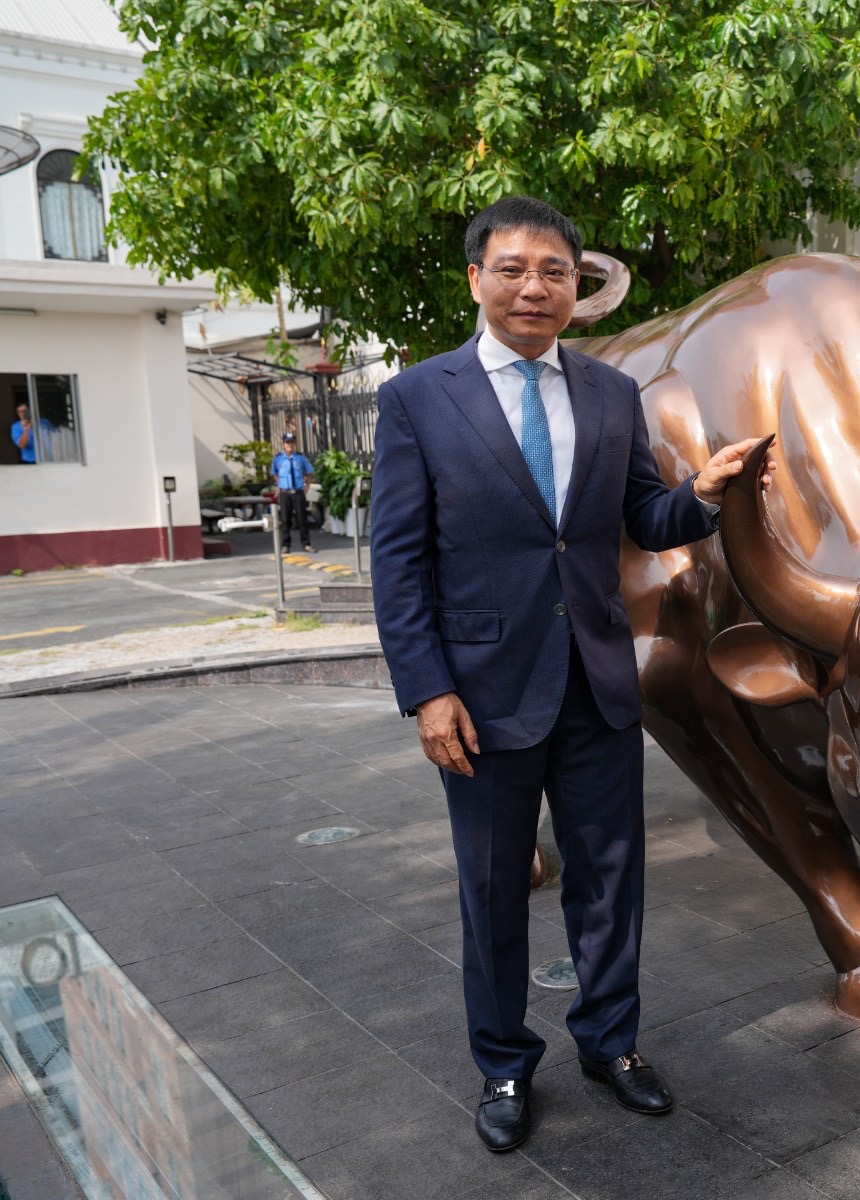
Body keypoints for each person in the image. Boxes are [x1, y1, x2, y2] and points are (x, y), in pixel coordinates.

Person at [371, 195, 771, 1154]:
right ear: (476, 279)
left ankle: (611, 1043)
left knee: (611, 882)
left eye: (554, 271)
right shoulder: (417, 398)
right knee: (494, 890)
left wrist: (702, 493)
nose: (534, 287)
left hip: (596, 681)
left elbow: (643, 518)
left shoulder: (607, 393)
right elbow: (398, 561)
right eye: (513, 269)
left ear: (574, 287)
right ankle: (505, 1063)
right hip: (480, 694)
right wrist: (428, 692)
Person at [271, 432, 314, 553]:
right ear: (283, 444)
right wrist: (278, 484)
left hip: (298, 492)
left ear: (295, 444)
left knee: (302, 519)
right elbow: (274, 472)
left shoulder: (300, 457)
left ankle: (306, 544)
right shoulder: (278, 458)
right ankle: (286, 545)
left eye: (292, 442)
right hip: (285, 493)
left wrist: (307, 485)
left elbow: (309, 472)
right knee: (285, 520)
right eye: (287, 442)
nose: (290, 445)